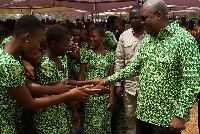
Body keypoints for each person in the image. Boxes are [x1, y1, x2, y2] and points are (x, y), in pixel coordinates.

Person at [99, 0, 200, 134]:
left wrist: (180, 114)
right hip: (142, 115)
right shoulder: (148, 40)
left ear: (159, 15)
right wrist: (108, 80)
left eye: (144, 18)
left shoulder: (184, 40)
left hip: (165, 119)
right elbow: (135, 67)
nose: (141, 22)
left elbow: (191, 82)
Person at [0, 15, 98, 133]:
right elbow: (30, 103)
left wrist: (53, 88)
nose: (40, 47)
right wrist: (69, 95)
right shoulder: (10, 64)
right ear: (27, 37)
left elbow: (23, 85)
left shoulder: (6, 46)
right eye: (40, 42)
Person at [114, 4, 146, 134]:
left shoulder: (152, 34)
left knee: (146, 119)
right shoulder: (124, 36)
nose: (132, 20)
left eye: (135, 18)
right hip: (130, 86)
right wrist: (117, 84)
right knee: (130, 117)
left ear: (143, 18)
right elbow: (119, 60)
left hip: (148, 86)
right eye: (130, 18)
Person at [79, 26, 115, 134]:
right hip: (90, 94)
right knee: (91, 125)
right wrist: (81, 91)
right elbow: (82, 74)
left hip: (104, 96)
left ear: (102, 38)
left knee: (104, 125)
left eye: (94, 36)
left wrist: (111, 97)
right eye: (90, 36)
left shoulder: (110, 55)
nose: (91, 39)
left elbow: (111, 77)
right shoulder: (86, 53)